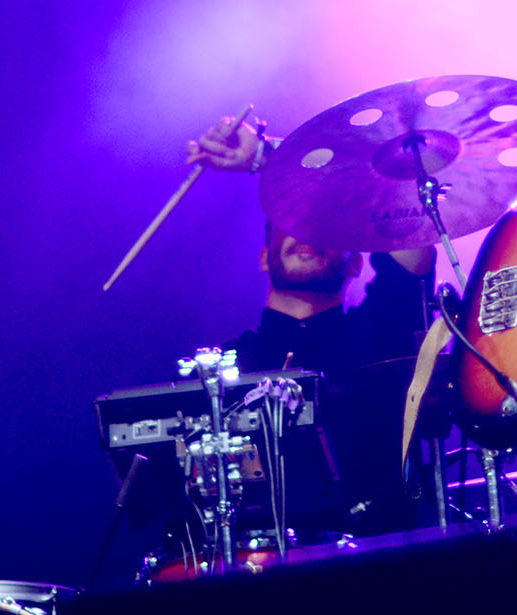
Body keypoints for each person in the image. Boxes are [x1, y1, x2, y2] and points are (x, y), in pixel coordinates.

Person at [186, 115, 436, 534]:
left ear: (356, 263)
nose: (307, 232)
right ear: (264, 257)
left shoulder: (380, 331)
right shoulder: (224, 366)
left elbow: (410, 233)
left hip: (380, 559)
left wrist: (268, 156)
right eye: (293, 222)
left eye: (325, 227)